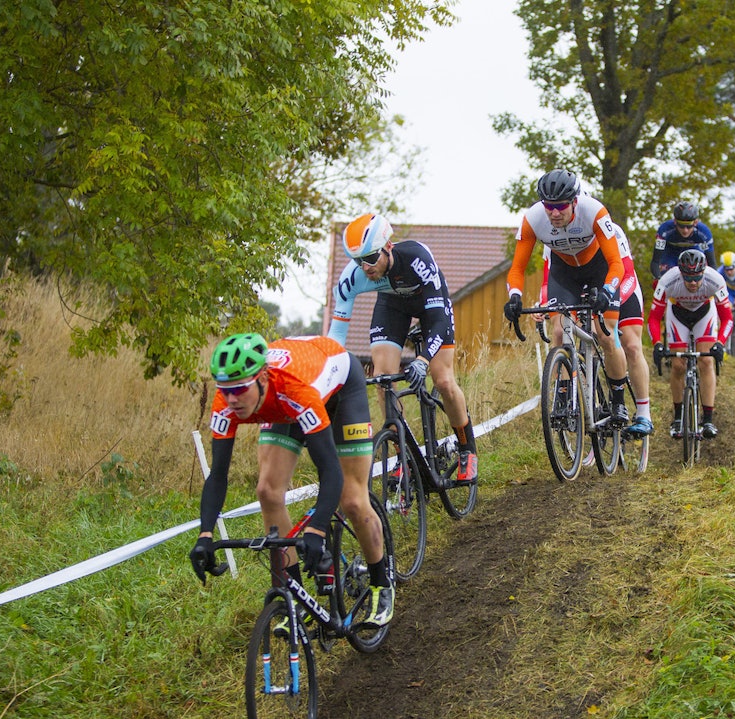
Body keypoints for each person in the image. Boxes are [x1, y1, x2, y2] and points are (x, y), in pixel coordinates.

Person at [189, 333, 394, 627]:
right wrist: (205, 534)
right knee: (268, 492)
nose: (232, 398)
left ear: (261, 378)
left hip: (339, 385)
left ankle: (380, 583)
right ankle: (294, 598)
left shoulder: (295, 388)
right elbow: (218, 475)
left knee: (351, 497)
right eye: (226, 389)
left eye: (239, 389)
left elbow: (329, 470)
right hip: (284, 400)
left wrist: (317, 529)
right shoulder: (226, 402)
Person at [328, 212, 478, 484]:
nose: (365, 267)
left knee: (442, 379)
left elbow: (440, 320)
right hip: (392, 305)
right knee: (384, 380)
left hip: (431, 306)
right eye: (358, 261)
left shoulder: (416, 258)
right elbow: (335, 338)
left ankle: (467, 448)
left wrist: (421, 360)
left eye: (371, 258)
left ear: (388, 247)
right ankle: (404, 457)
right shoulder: (352, 279)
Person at [503, 169, 630, 424]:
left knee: (606, 335)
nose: (554, 213)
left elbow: (617, 263)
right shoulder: (533, 218)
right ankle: (562, 396)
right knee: (559, 332)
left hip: (598, 269)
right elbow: (517, 268)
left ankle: (618, 401)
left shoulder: (594, 211)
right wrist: (514, 296)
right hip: (564, 273)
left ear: (574, 201)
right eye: (549, 206)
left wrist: (607, 291)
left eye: (561, 206)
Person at [539, 222, 653, 435]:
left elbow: (626, 273)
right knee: (564, 328)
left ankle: (643, 414)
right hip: (583, 287)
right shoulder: (554, 236)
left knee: (629, 344)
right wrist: (543, 303)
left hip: (621, 286)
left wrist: (610, 303)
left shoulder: (611, 231)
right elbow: (549, 279)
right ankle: (573, 395)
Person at [648, 249, 733, 440]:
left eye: (697, 278)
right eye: (688, 278)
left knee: (706, 362)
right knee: (678, 365)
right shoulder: (668, 281)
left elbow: (727, 318)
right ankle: (678, 417)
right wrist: (657, 344)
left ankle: (708, 419)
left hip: (704, 313)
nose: (693, 283)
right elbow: (653, 318)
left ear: (704, 272)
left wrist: (720, 343)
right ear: (680, 274)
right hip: (678, 315)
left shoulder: (715, 280)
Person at [649, 201, 715, 282]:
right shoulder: (664, 230)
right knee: (666, 277)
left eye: (689, 226)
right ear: (675, 222)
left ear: (695, 222)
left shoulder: (704, 233)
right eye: (681, 225)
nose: (685, 230)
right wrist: (659, 279)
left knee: (699, 275)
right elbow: (655, 262)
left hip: (693, 250)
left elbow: (712, 264)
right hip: (670, 253)